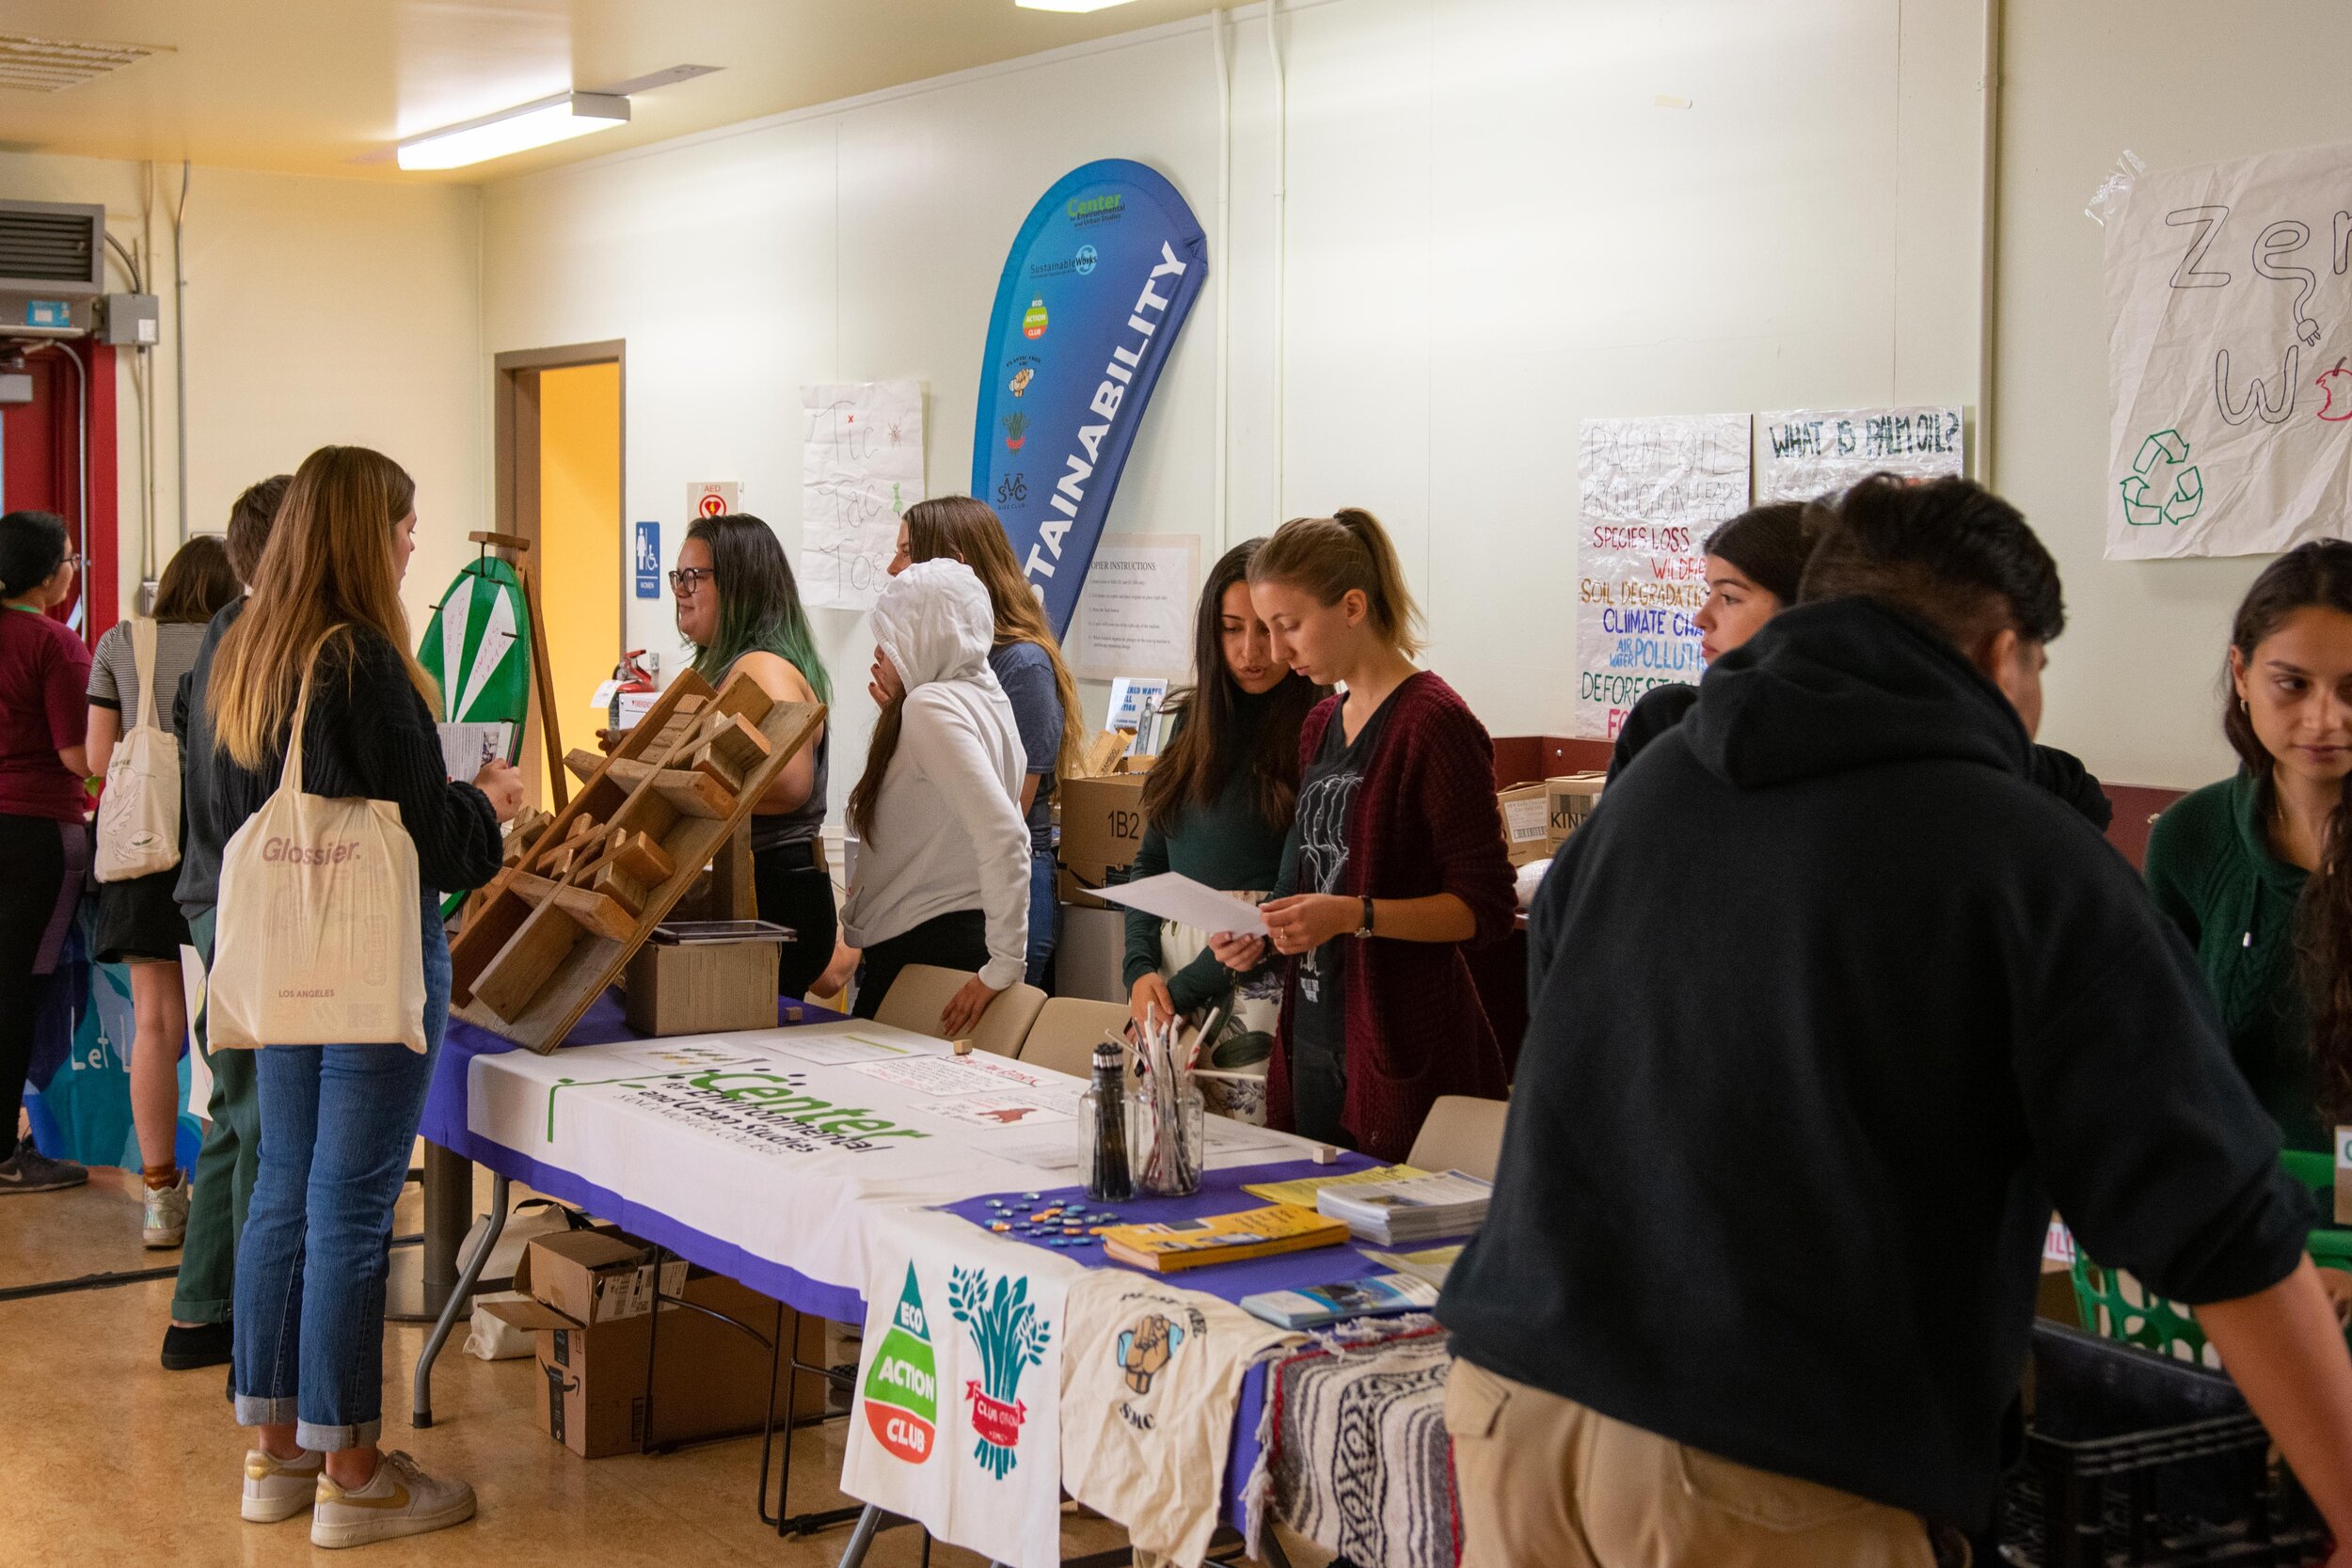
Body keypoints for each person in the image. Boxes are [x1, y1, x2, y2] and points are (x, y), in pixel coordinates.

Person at [1438, 476, 2352, 1568]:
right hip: (1760, 1463)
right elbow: (2212, 1213)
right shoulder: (2021, 856)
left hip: (1506, 1411)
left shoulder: (1652, 789)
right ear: (2004, 651)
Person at [207, 446, 523, 1547]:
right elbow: (433, 843)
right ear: (359, 533)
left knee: (282, 1192)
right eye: (401, 523)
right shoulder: (363, 661)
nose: (410, 543)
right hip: (373, 955)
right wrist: (485, 800)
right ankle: (355, 1470)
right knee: (349, 1207)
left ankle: (277, 1454)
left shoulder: (248, 653)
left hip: (280, 955)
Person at [1243, 509, 1517, 1159]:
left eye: (1289, 626)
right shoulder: (1320, 722)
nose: (1279, 651)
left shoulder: (1434, 722)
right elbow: (1320, 882)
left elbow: (1486, 908)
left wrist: (1354, 915)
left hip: (1399, 1045)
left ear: (1353, 606)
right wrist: (1266, 932)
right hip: (1313, 1031)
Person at [1608, 498, 2115, 829]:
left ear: (1805, 612)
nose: (1700, 619)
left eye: (1730, 598)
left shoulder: (1930, 758)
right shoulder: (1669, 723)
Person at [2147, 540, 2352, 1155]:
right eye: (2292, 684)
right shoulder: (2189, 836)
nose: (2325, 720)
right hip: (2246, 1224)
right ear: (2241, 674)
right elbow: (2159, 1049)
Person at [163, 473, 290, 1370]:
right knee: (260, 1119)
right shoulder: (267, 640)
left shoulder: (220, 629)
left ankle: (201, 1312)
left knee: (231, 1113)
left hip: (214, 888)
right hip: (244, 897)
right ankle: (256, 1328)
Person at [84, 533, 239, 1245]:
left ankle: (157, 1198)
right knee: (229, 1026)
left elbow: (93, 755)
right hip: (221, 846)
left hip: (146, 851)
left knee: (155, 1022)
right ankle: (223, 1191)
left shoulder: (122, 641)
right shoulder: (237, 640)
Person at [1123, 540, 1324, 1075]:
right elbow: (1149, 865)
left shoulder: (1320, 726)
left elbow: (1289, 890)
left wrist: (1179, 992)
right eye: (1232, 628)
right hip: (1166, 983)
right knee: (1156, 1148)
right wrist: (1139, 971)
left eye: (1267, 628)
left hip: (1256, 981)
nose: (1251, 651)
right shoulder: (1192, 721)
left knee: (1250, 1152)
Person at [890, 498, 1084, 987]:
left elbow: (1007, 811)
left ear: (955, 566)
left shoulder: (1022, 665)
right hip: (964, 892)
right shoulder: (942, 669)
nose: (893, 569)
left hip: (1002, 904)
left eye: (909, 554)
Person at [840, 558, 1029, 1037]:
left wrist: (1006, 964)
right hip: (952, 937)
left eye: (892, 639)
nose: (879, 656)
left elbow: (1006, 834)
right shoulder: (987, 697)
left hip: (925, 950)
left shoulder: (930, 707)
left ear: (927, 636)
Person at [670, 513, 835, 999]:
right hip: (768, 885)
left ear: (741, 585)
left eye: (694, 577)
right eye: (678, 576)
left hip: (774, 889)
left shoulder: (760, 666)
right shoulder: (734, 665)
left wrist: (678, 783)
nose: (681, 589)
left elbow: (790, 785)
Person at [0, 510, 91, 1195]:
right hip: (35, 832)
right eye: (69, 557)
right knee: (19, 991)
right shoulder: (56, 645)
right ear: (48, 574)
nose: (75, 566)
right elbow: (78, 754)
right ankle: (7, 1150)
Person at [1607, 500, 1811, 777]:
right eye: (1708, 593)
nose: (1700, 619)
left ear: (1800, 609)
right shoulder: (1664, 718)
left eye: (1729, 597)